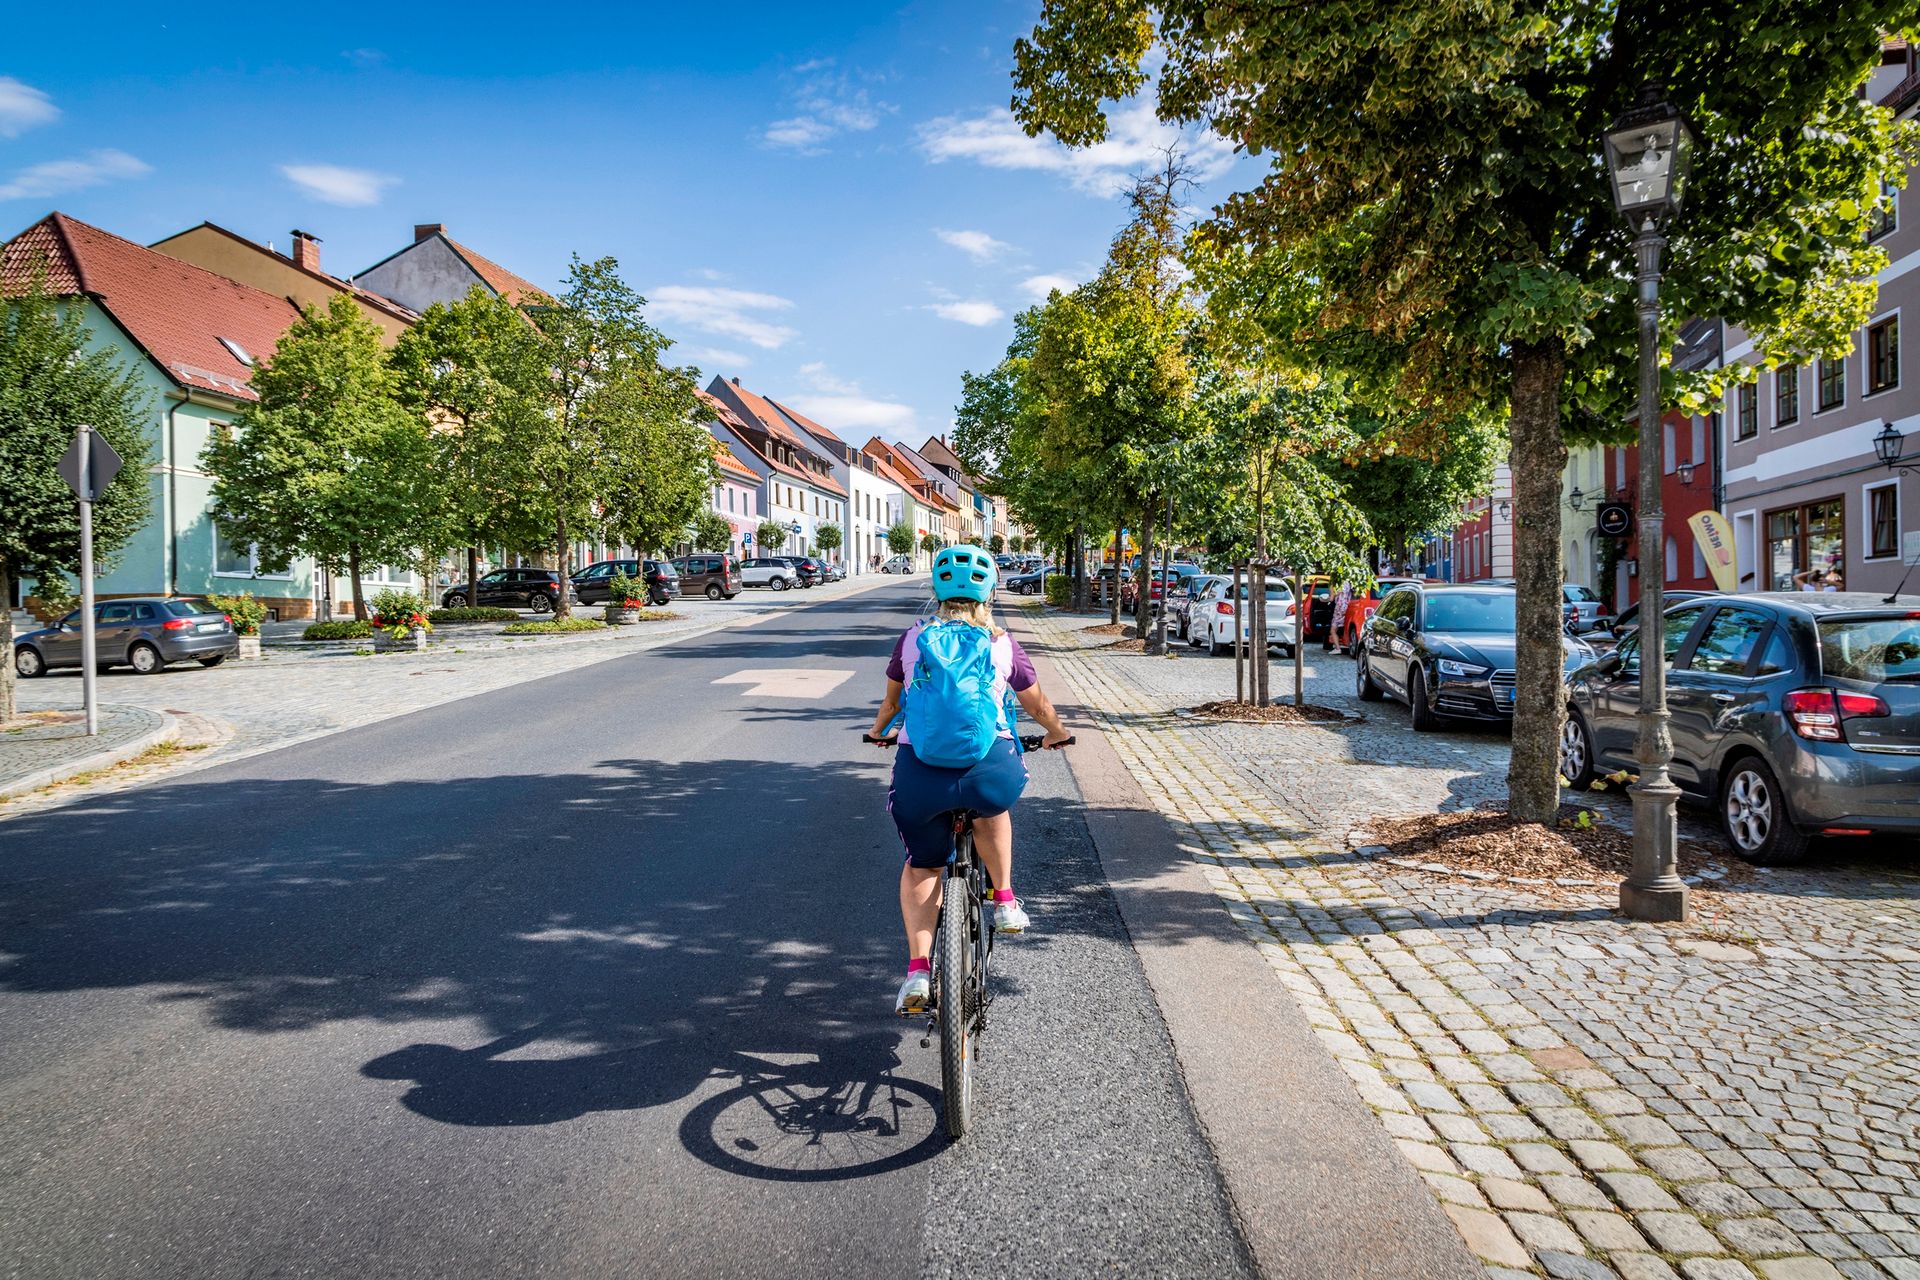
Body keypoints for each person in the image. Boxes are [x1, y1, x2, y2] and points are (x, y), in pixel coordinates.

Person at [866, 545, 1073, 1016]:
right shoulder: (1003, 644)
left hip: (921, 775)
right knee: (993, 808)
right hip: (988, 769)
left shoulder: (913, 639)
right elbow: (1037, 706)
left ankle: (919, 971)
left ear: (937, 591)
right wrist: (1058, 733)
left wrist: (879, 732)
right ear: (990, 591)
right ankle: (1003, 899)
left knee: (922, 866)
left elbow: (891, 704)